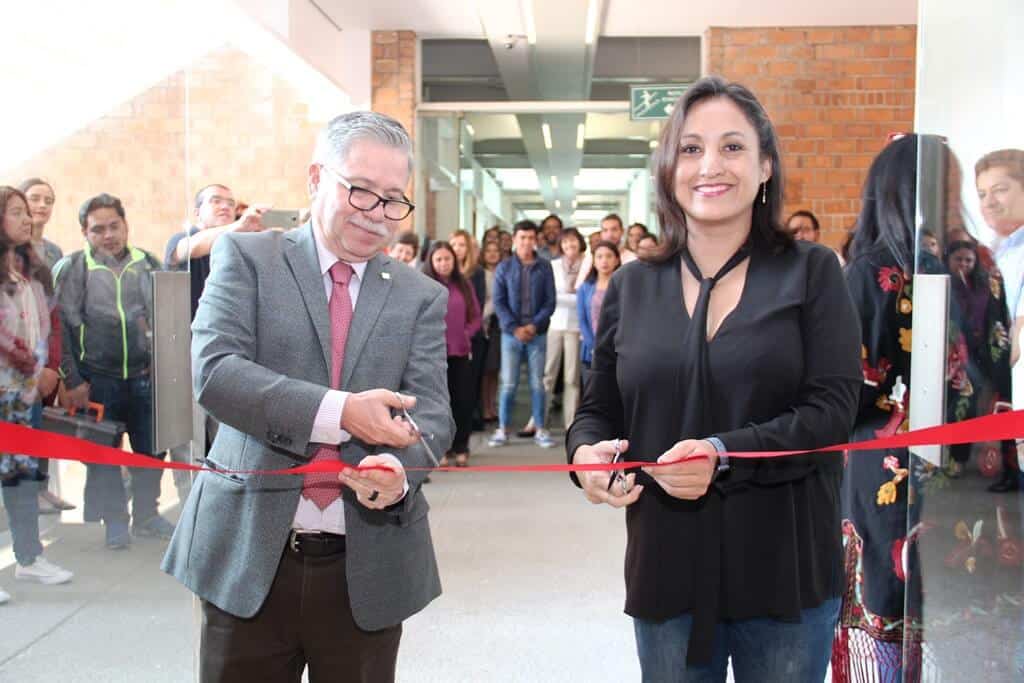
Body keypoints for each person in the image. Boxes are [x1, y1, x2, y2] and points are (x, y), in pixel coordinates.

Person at [567, 76, 861, 681]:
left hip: (784, 562)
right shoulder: (630, 285)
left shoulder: (812, 272)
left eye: (733, 147)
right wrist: (585, 457)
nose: (711, 166)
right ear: (669, 166)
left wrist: (724, 454)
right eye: (692, 147)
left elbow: (832, 409)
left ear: (765, 167)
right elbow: (599, 409)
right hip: (666, 560)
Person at [162, 111, 453, 683]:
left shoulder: (420, 296)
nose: (377, 216)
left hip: (365, 571)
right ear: (317, 178)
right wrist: (341, 413)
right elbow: (217, 373)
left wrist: (397, 467)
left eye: (394, 200)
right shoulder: (248, 259)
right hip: (249, 559)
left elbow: (433, 414)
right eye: (362, 191)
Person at [834, 134, 938, 680]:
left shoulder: (871, 269)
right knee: (940, 598)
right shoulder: (975, 264)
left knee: (885, 597)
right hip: (958, 458)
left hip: (884, 459)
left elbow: (855, 380)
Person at [53, 193, 170, 548]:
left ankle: (147, 516)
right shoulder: (74, 269)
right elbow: (62, 330)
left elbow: (165, 322)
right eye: (98, 229)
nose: (108, 235)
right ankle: (115, 522)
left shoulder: (148, 263)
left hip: (145, 377)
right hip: (97, 380)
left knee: (152, 449)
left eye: (114, 226)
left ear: (125, 224)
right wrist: (72, 380)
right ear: (85, 233)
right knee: (103, 455)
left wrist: (161, 366)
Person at [0, 187, 74, 600]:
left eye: (26, 213)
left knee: (23, 478)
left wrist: (50, 370)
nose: (26, 219)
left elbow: (53, 324)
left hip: (26, 396)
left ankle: (28, 558)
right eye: (15, 212)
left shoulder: (34, 270)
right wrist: (32, 369)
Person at [16, 178, 73, 514]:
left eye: (48, 200)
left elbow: (55, 309)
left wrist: (57, 365)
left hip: (45, 350)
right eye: (34, 199)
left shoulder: (52, 252)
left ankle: (42, 486)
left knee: (42, 423)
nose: (41, 206)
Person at [943, 239, 1016, 491]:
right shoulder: (944, 285)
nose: (964, 264)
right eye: (959, 259)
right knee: (962, 403)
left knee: (974, 403)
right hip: (955, 352)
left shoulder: (984, 284)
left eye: (969, 260)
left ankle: (963, 456)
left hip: (982, 352)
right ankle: (954, 456)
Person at [488, 220, 557, 449]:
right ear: (515, 240)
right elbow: (498, 302)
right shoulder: (504, 267)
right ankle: (502, 429)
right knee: (508, 384)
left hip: (537, 334)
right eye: (522, 238)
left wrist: (534, 326)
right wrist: (514, 328)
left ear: (536, 240)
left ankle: (540, 429)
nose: (527, 242)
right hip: (511, 334)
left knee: (538, 383)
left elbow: (550, 302)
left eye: (530, 238)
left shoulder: (545, 267)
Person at [165, 184, 266, 320]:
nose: (225, 207)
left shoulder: (237, 246)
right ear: (197, 212)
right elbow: (189, 248)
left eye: (231, 204)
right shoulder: (182, 238)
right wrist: (239, 226)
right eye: (216, 201)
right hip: (189, 335)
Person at [422, 241, 480, 467]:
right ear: (431, 262)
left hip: (461, 352)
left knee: (462, 401)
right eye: (439, 259)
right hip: (433, 354)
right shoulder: (424, 285)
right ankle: (441, 449)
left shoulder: (463, 284)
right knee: (438, 404)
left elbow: (475, 316)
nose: (444, 263)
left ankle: (461, 446)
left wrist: (466, 333)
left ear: (454, 261)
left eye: (447, 259)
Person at [976, 149, 1024, 369]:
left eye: (1000, 190)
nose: (989, 202)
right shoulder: (995, 251)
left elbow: (1017, 341)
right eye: (982, 194)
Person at [540, 228, 585, 430]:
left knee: (572, 377)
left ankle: (571, 422)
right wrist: (573, 295)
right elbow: (551, 297)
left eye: (573, 241)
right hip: (555, 324)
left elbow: (585, 298)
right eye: (565, 242)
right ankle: (540, 419)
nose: (569, 246)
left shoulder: (586, 264)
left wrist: (568, 296)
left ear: (579, 242)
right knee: (549, 373)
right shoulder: (554, 265)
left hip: (576, 327)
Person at [449, 229, 488, 431]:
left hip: (472, 338)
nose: (457, 249)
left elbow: (477, 307)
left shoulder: (477, 272)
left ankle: (470, 423)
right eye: (454, 244)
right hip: (449, 341)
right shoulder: (443, 272)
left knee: (470, 385)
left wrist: (466, 331)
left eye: (462, 245)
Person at [576, 240, 621, 388]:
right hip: (591, 349)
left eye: (609, 256)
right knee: (591, 391)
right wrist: (593, 345)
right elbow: (582, 320)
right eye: (599, 256)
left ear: (617, 260)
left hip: (617, 350)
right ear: (594, 261)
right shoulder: (585, 287)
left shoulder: (624, 286)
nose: (604, 261)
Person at [574, 213, 637, 288]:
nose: (609, 234)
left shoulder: (633, 259)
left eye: (614, 229)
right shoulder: (591, 257)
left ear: (622, 231)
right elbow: (579, 287)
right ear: (601, 234)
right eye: (605, 230)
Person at [479, 239, 503, 423]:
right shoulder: (481, 274)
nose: (492, 254)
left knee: (494, 369)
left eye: (496, 251)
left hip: (498, 325)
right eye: (489, 251)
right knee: (485, 370)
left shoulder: (502, 271)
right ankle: (485, 407)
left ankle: (492, 406)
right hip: (484, 324)